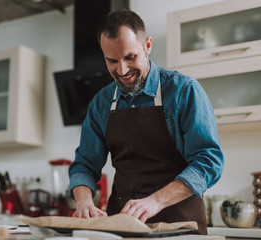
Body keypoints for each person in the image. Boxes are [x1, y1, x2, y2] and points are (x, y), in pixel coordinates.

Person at [68, 9, 223, 235]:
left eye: (130, 57)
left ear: (147, 46)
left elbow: (209, 160)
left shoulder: (183, 90)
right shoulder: (101, 103)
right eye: (112, 60)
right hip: (122, 227)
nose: (122, 70)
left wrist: (155, 201)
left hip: (179, 227)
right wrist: (83, 201)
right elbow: (85, 164)